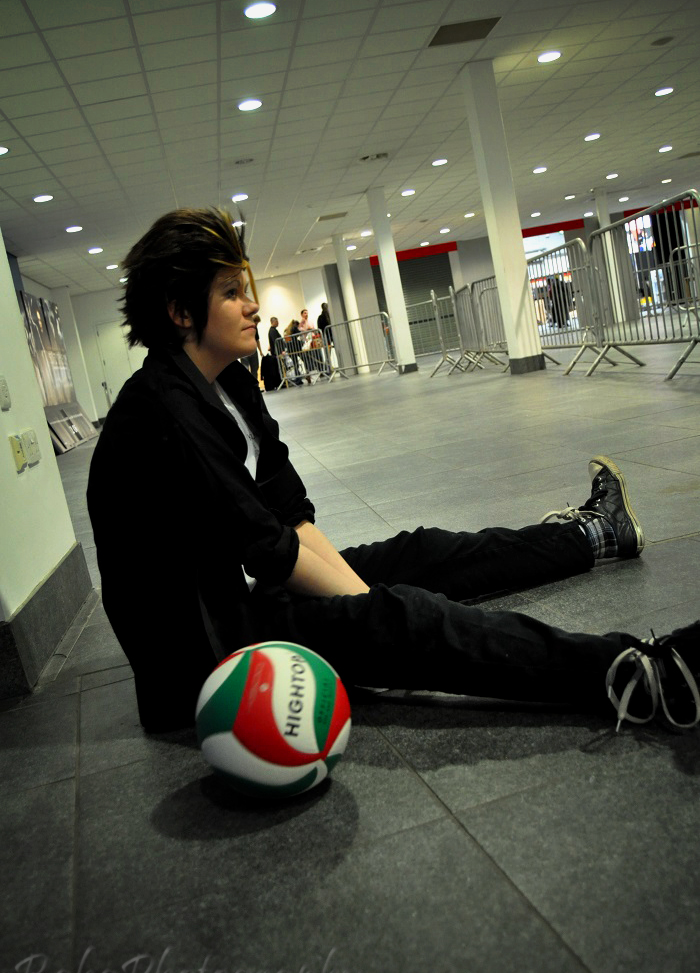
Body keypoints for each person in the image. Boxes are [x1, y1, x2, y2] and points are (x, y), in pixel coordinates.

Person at [87, 207, 700, 736]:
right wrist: (377, 614)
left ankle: (594, 534)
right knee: (404, 617)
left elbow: (290, 515)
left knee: (421, 553)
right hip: (207, 659)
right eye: (230, 293)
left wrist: (365, 596)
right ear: (180, 311)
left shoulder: (232, 383)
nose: (251, 305)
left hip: (238, 599)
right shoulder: (162, 410)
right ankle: (642, 673)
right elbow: (266, 548)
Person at [240, 313, 263, 382]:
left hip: (252, 350)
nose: (256, 324)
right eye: (256, 323)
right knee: (246, 368)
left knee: (255, 368)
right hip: (244, 350)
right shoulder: (244, 327)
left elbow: (257, 340)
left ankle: (254, 384)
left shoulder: (255, 328)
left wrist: (260, 351)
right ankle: (247, 385)